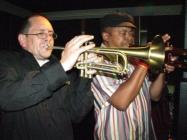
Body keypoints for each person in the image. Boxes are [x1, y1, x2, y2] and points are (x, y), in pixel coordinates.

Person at [0, 14, 97, 140]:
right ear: (22, 40)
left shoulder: (63, 68)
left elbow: (76, 114)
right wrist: (62, 67)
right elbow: (7, 98)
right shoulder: (7, 60)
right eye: (41, 33)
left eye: (51, 34)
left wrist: (86, 76)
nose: (48, 39)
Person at [91, 13, 175, 140]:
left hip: (144, 134)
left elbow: (154, 95)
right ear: (106, 36)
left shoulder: (134, 61)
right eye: (124, 33)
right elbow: (121, 101)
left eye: (131, 33)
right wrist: (146, 59)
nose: (130, 38)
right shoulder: (96, 62)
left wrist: (162, 67)